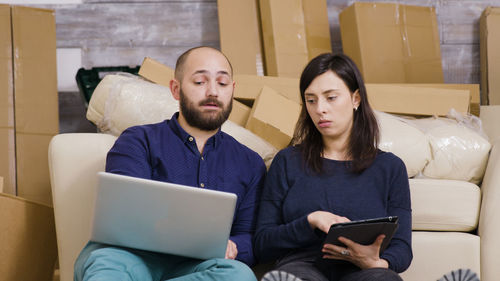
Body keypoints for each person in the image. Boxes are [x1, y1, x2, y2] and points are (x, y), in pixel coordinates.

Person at [74, 46, 266, 281]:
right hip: (132, 259)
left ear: (232, 91)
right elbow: (123, 218)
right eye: (199, 82)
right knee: (106, 263)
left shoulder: (250, 162)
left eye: (222, 83)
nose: (213, 91)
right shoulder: (137, 141)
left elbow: (249, 235)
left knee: (239, 276)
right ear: (176, 89)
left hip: (198, 268)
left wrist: (234, 245)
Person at [253, 53, 412, 281]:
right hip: (301, 267)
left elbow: (402, 248)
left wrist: (377, 262)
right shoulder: (287, 161)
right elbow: (262, 243)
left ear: (356, 98)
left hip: (364, 271)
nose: (320, 109)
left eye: (331, 97)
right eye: (311, 100)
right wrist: (310, 221)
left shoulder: (390, 167)